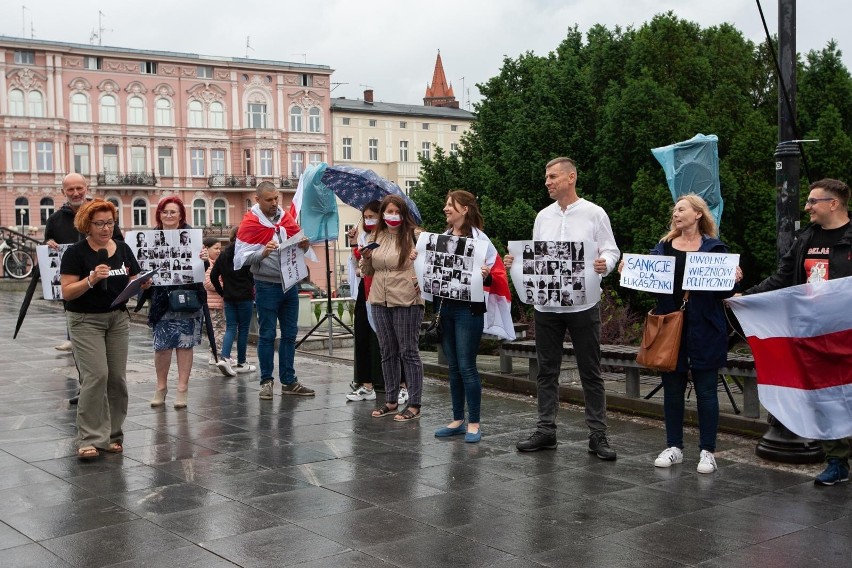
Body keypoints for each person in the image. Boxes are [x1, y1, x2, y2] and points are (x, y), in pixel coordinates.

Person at [505, 157, 620, 459]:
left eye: (553, 177)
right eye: (546, 178)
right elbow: (537, 256)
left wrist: (604, 263)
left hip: (583, 304)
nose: (547, 182)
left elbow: (611, 249)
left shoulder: (595, 214)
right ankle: (546, 430)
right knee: (546, 370)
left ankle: (598, 435)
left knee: (590, 371)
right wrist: (516, 263)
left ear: (571, 177)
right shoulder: (543, 216)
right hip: (547, 306)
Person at [743, 178, 852, 486]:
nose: (806, 207)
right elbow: (782, 277)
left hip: (848, 333)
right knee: (827, 396)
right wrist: (748, 299)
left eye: (812, 202)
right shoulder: (806, 238)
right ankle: (837, 461)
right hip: (815, 334)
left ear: (833, 203)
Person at [622, 194, 741, 474]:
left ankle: (707, 451)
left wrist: (733, 277)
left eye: (681, 209)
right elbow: (648, 282)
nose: (675, 214)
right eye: (674, 210)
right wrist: (630, 271)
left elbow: (723, 293)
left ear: (698, 214)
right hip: (669, 328)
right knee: (672, 390)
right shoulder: (662, 248)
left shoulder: (715, 248)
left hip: (706, 329)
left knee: (707, 392)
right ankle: (673, 446)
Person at [59, 199, 147, 459]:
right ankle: (89, 438)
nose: (106, 228)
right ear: (88, 225)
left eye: (110, 222)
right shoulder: (75, 253)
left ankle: (112, 434)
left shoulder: (122, 248)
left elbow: (132, 277)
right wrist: (91, 279)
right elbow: (67, 291)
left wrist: (141, 284)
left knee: (117, 378)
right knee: (96, 375)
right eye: (100, 223)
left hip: (117, 319)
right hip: (85, 320)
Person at [45, 173, 123, 403]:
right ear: (64, 192)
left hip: (106, 291)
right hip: (75, 293)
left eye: (79, 188)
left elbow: (117, 244)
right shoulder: (55, 220)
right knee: (82, 348)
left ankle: (97, 387)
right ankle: (86, 386)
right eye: (70, 189)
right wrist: (49, 245)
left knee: (107, 352)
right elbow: (49, 248)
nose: (76, 192)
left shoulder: (100, 212)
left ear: (86, 187)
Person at [432, 190, 502, 443]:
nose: (446, 209)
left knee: (467, 366)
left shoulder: (481, 242)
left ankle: (473, 422)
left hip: (468, 309)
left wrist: (486, 274)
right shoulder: (441, 239)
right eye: (446, 204)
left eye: (450, 205)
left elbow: (497, 275)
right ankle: (457, 420)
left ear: (465, 210)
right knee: (453, 367)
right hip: (445, 307)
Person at [235, 181, 315, 400]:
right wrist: (262, 253)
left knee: (290, 334)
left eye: (276, 198)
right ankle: (266, 382)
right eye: (269, 199)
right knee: (267, 334)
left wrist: (305, 245)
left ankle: (289, 381)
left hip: (290, 284)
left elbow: (298, 245)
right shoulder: (250, 223)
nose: (274, 203)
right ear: (257, 200)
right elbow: (241, 259)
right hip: (266, 285)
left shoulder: (286, 219)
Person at [360, 195, 423, 421]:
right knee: (387, 351)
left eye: (396, 212)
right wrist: (366, 257)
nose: (391, 216)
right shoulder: (376, 236)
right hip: (379, 298)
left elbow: (427, 265)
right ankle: (390, 400)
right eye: (388, 212)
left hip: (406, 299)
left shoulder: (415, 236)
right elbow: (366, 271)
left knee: (408, 351)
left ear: (404, 214)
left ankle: (414, 403)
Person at [344, 200, 410, 407]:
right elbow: (362, 264)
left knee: (393, 340)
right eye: (366, 216)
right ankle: (367, 385)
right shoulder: (366, 235)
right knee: (363, 336)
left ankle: (402, 386)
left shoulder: (395, 236)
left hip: (388, 291)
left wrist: (364, 257)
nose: (369, 219)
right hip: (366, 290)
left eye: (374, 215)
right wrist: (356, 247)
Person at [147, 197, 204, 410]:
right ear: (159, 215)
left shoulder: (192, 236)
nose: (169, 216)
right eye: (165, 212)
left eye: (173, 212)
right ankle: (161, 387)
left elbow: (200, 267)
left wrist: (203, 257)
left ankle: (182, 388)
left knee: (185, 345)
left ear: (181, 215)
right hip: (161, 300)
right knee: (161, 347)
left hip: (187, 300)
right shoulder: (151, 237)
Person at [210, 227, 257, 377]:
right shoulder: (246, 253)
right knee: (243, 329)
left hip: (229, 297)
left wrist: (222, 292)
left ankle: (224, 358)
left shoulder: (223, 254)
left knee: (230, 328)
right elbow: (253, 273)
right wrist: (250, 284)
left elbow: (213, 275)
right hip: (244, 297)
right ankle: (242, 362)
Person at [202, 236, 226, 367]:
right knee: (218, 330)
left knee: (220, 329)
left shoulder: (215, 263)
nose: (219, 251)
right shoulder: (209, 264)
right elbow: (208, 283)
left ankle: (217, 354)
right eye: (216, 248)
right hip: (213, 303)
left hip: (218, 302)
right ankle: (216, 355)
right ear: (206, 248)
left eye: (220, 249)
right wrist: (225, 286)